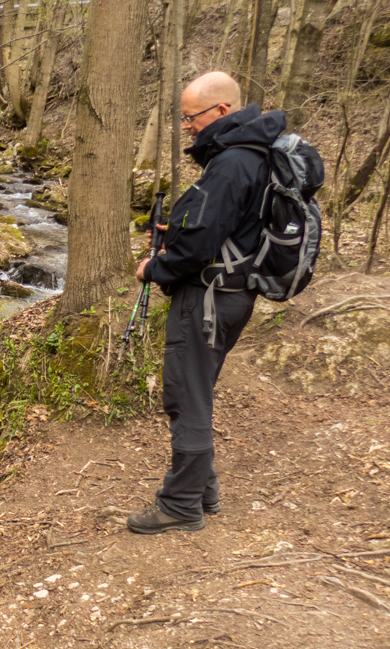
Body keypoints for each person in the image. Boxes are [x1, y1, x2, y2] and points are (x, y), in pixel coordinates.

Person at [127, 71, 286, 535]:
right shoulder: (255, 155)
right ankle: (205, 492)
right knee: (197, 391)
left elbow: (198, 247)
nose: (186, 127)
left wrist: (153, 268)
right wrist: (173, 235)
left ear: (221, 111)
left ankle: (180, 505)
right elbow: (222, 228)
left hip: (208, 299)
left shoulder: (233, 162)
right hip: (232, 294)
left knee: (185, 396)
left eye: (190, 117)